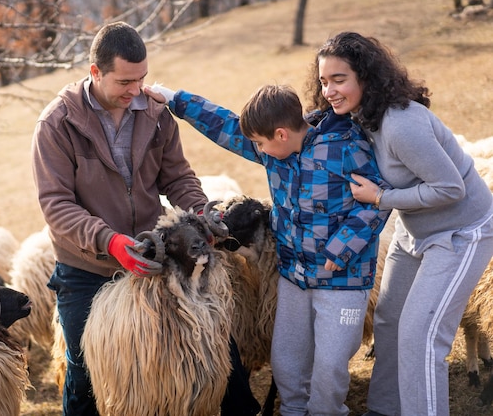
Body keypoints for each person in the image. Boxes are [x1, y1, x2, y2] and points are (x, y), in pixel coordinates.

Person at [31, 21, 260, 416]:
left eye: (142, 79)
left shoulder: (155, 112)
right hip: (89, 266)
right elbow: (56, 205)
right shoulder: (56, 125)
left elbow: (178, 177)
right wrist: (110, 241)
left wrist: (202, 212)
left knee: (215, 347)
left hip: (153, 257)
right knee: (85, 370)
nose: (136, 91)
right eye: (125, 82)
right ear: (95, 73)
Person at [145, 82, 391, 415]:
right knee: (287, 361)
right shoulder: (275, 152)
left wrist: (342, 247)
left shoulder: (348, 147)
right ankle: (291, 410)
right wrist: (176, 100)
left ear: (281, 134)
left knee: (330, 366)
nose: (255, 148)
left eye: (259, 143)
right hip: (294, 275)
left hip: (341, 279)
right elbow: (227, 127)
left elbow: (377, 201)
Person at [306, 31, 493, 416]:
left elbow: (451, 188)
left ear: (366, 78)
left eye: (339, 79)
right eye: (324, 81)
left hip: (460, 233)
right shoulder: (357, 116)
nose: (329, 90)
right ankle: (386, 409)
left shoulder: (400, 123)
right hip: (413, 229)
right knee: (389, 322)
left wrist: (380, 198)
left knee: (420, 338)